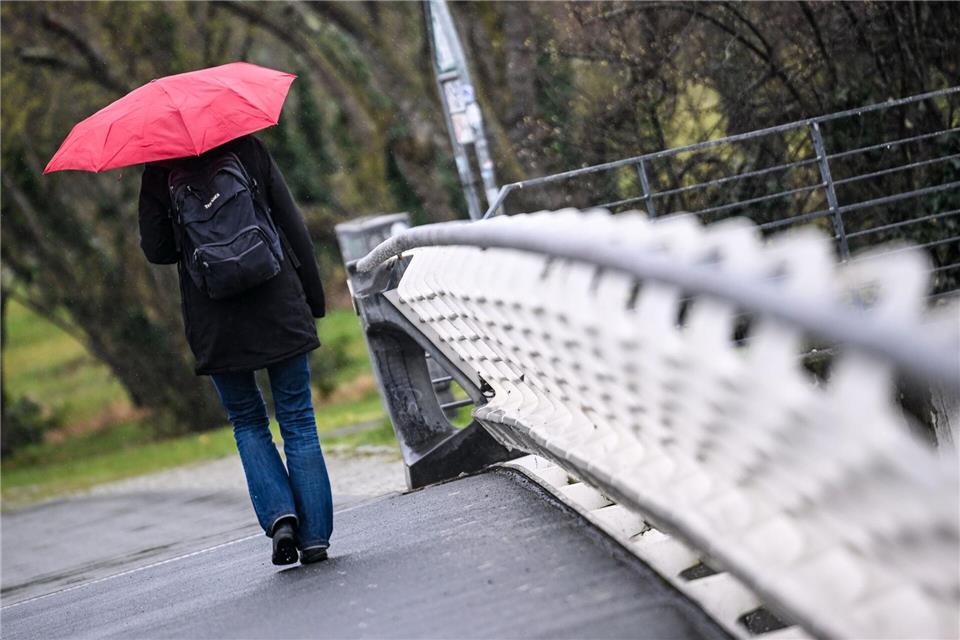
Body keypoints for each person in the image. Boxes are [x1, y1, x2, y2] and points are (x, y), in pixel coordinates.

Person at [138, 134, 333, 566]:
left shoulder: (158, 169)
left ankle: (281, 518)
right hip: (277, 300)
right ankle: (315, 536)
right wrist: (314, 299)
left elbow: (157, 250)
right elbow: (291, 223)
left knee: (247, 422)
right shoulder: (247, 147)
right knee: (298, 419)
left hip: (214, 315)